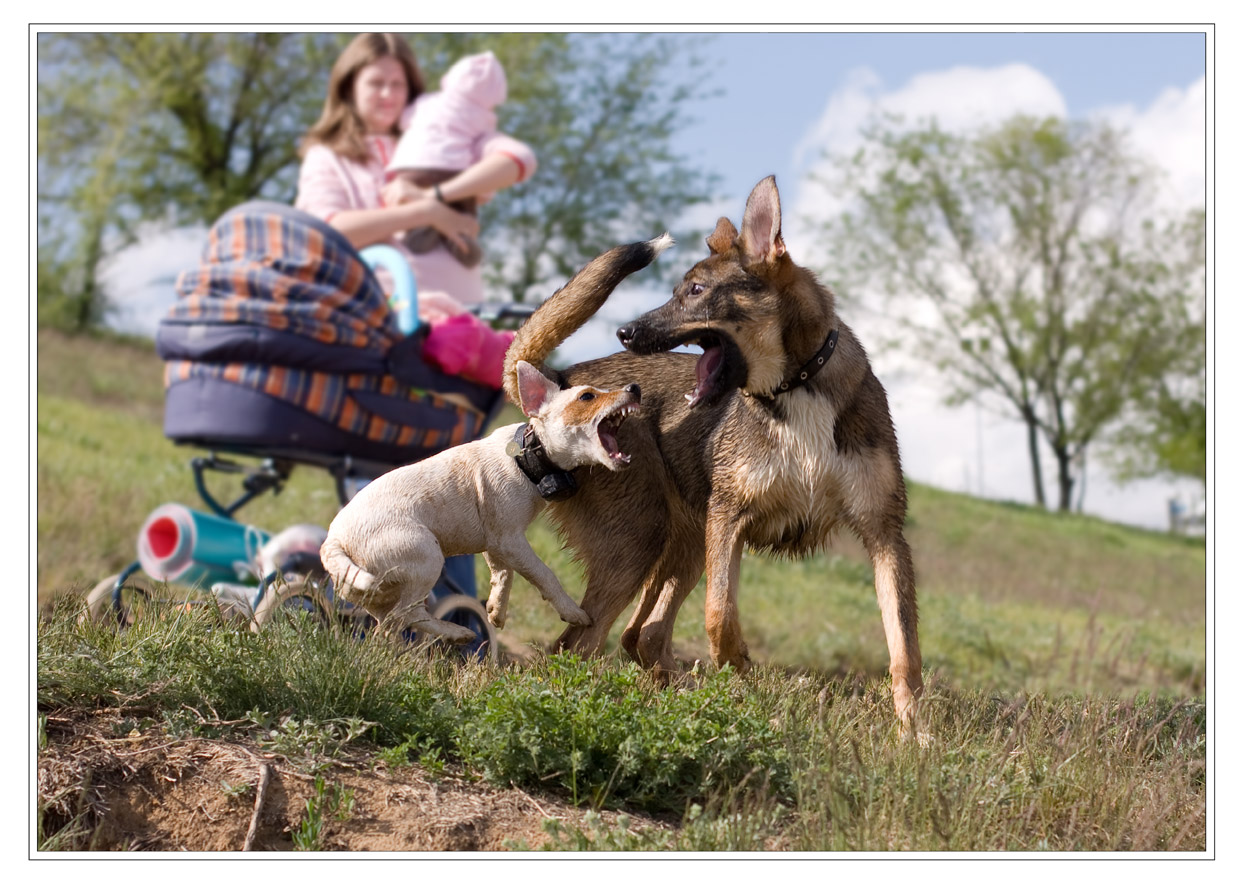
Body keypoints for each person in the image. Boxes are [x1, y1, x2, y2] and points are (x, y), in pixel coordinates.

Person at [295, 33, 537, 323]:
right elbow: (325, 233)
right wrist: (427, 212)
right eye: (376, 83)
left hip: (462, 316)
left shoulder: (441, 136)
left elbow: (517, 161)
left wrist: (436, 194)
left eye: (398, 84)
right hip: (380, 319)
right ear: (349, 87)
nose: (388, 94)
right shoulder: (328, 156)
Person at [387, 50, 508, 267]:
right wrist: (483, 190)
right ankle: (463, 246)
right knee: (462, 211)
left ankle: (419, 234)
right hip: (452, 170)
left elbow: (406, 121)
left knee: (412, 206)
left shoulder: (426, 102)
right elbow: (478, 156)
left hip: (410, 167)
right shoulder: (485, 118)